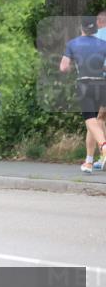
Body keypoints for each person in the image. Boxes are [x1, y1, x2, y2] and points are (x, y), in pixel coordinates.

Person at [60, 16, 106, 173]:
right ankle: (89, 162)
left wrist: (74, 66)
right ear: (95, 29)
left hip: (84, 84)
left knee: (90, 121)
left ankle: (104, 146)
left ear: (82, 28)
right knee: (94, 124)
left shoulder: (73, 44)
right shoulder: (103, 44)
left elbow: (63, 67)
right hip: (101, 84)